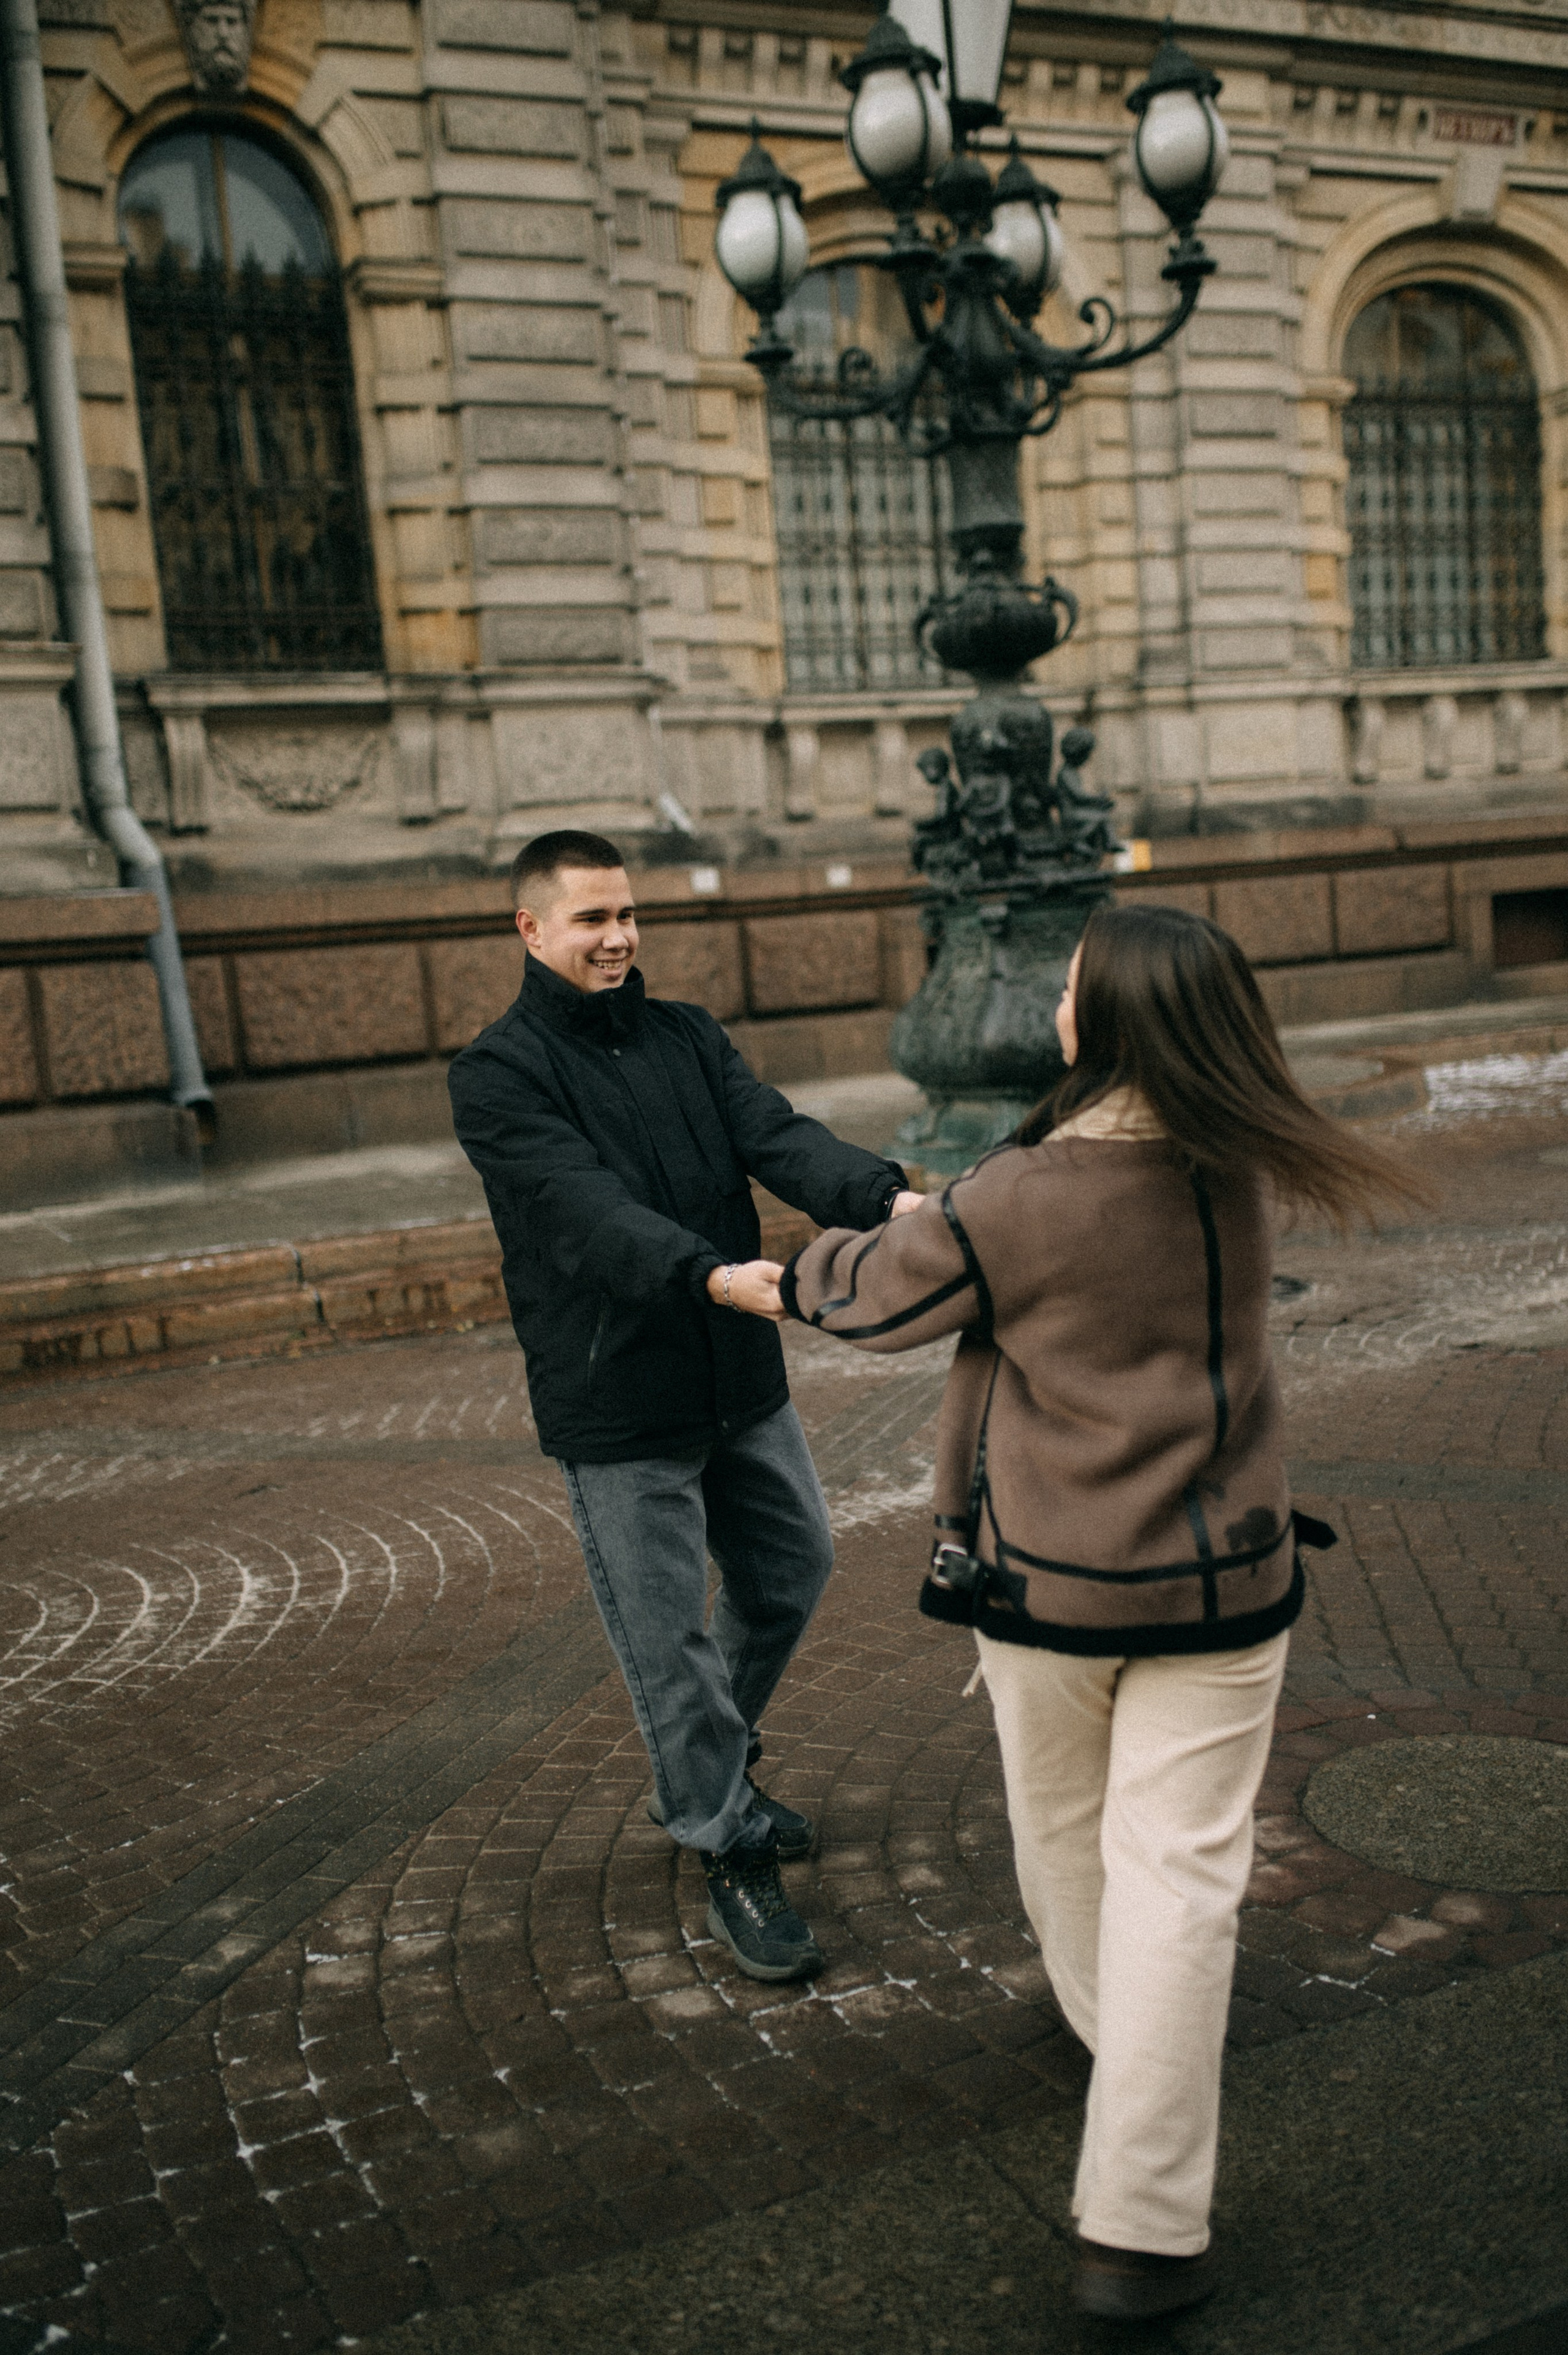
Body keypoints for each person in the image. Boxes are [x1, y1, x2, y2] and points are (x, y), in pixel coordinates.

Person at [766, 902, 1423, 2318]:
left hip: (1048, 1583)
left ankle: (1104, 2030)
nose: (1052, 1010)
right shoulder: (1239, 1159)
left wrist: (767, 1273)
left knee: (1064, 1836)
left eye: (1068, 994)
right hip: (1230, 1578)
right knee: (1182, 1874)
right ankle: (1138, 2230)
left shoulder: (1023, 1192)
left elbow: (875, 1301)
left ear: (1103, 1018)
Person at [447, 830, 921, 1984]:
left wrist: (891, 1201)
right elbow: (582, 1211)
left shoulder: (687, 1034)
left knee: (791, 1571)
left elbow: (777, 1138)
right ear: (532, 930)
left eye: (625, 916)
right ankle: (722, 1834)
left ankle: (704, 1771)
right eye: (589, 921)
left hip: (738, 1381)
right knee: (668, 1643)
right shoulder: (498, 1074)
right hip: (621, 1403)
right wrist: (710, 1274)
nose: (615, 939)